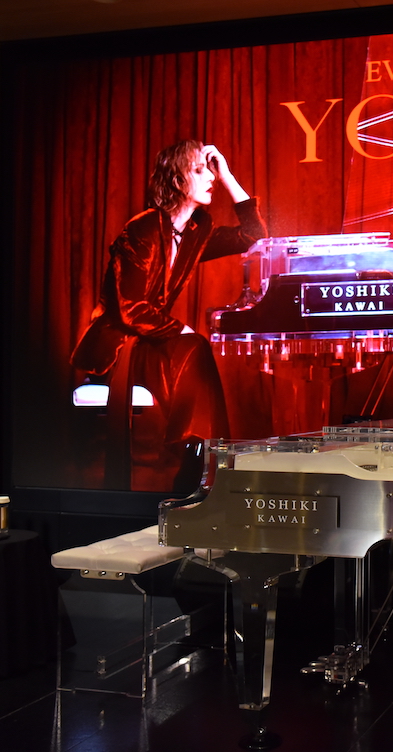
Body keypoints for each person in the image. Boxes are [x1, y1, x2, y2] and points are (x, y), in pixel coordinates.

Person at [71, 140, 266, 490]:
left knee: (196, 349)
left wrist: (227, 176)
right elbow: (131, 310)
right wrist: (181, 330)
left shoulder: (194, 232)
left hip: (149, 342)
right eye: (199, 170)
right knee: (195, 345)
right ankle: (203, 459)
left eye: (210, 171)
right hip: (118, 346)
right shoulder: (143, 228)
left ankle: (200, 455)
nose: (209, 177)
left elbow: (253, 237)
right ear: (177, 181)